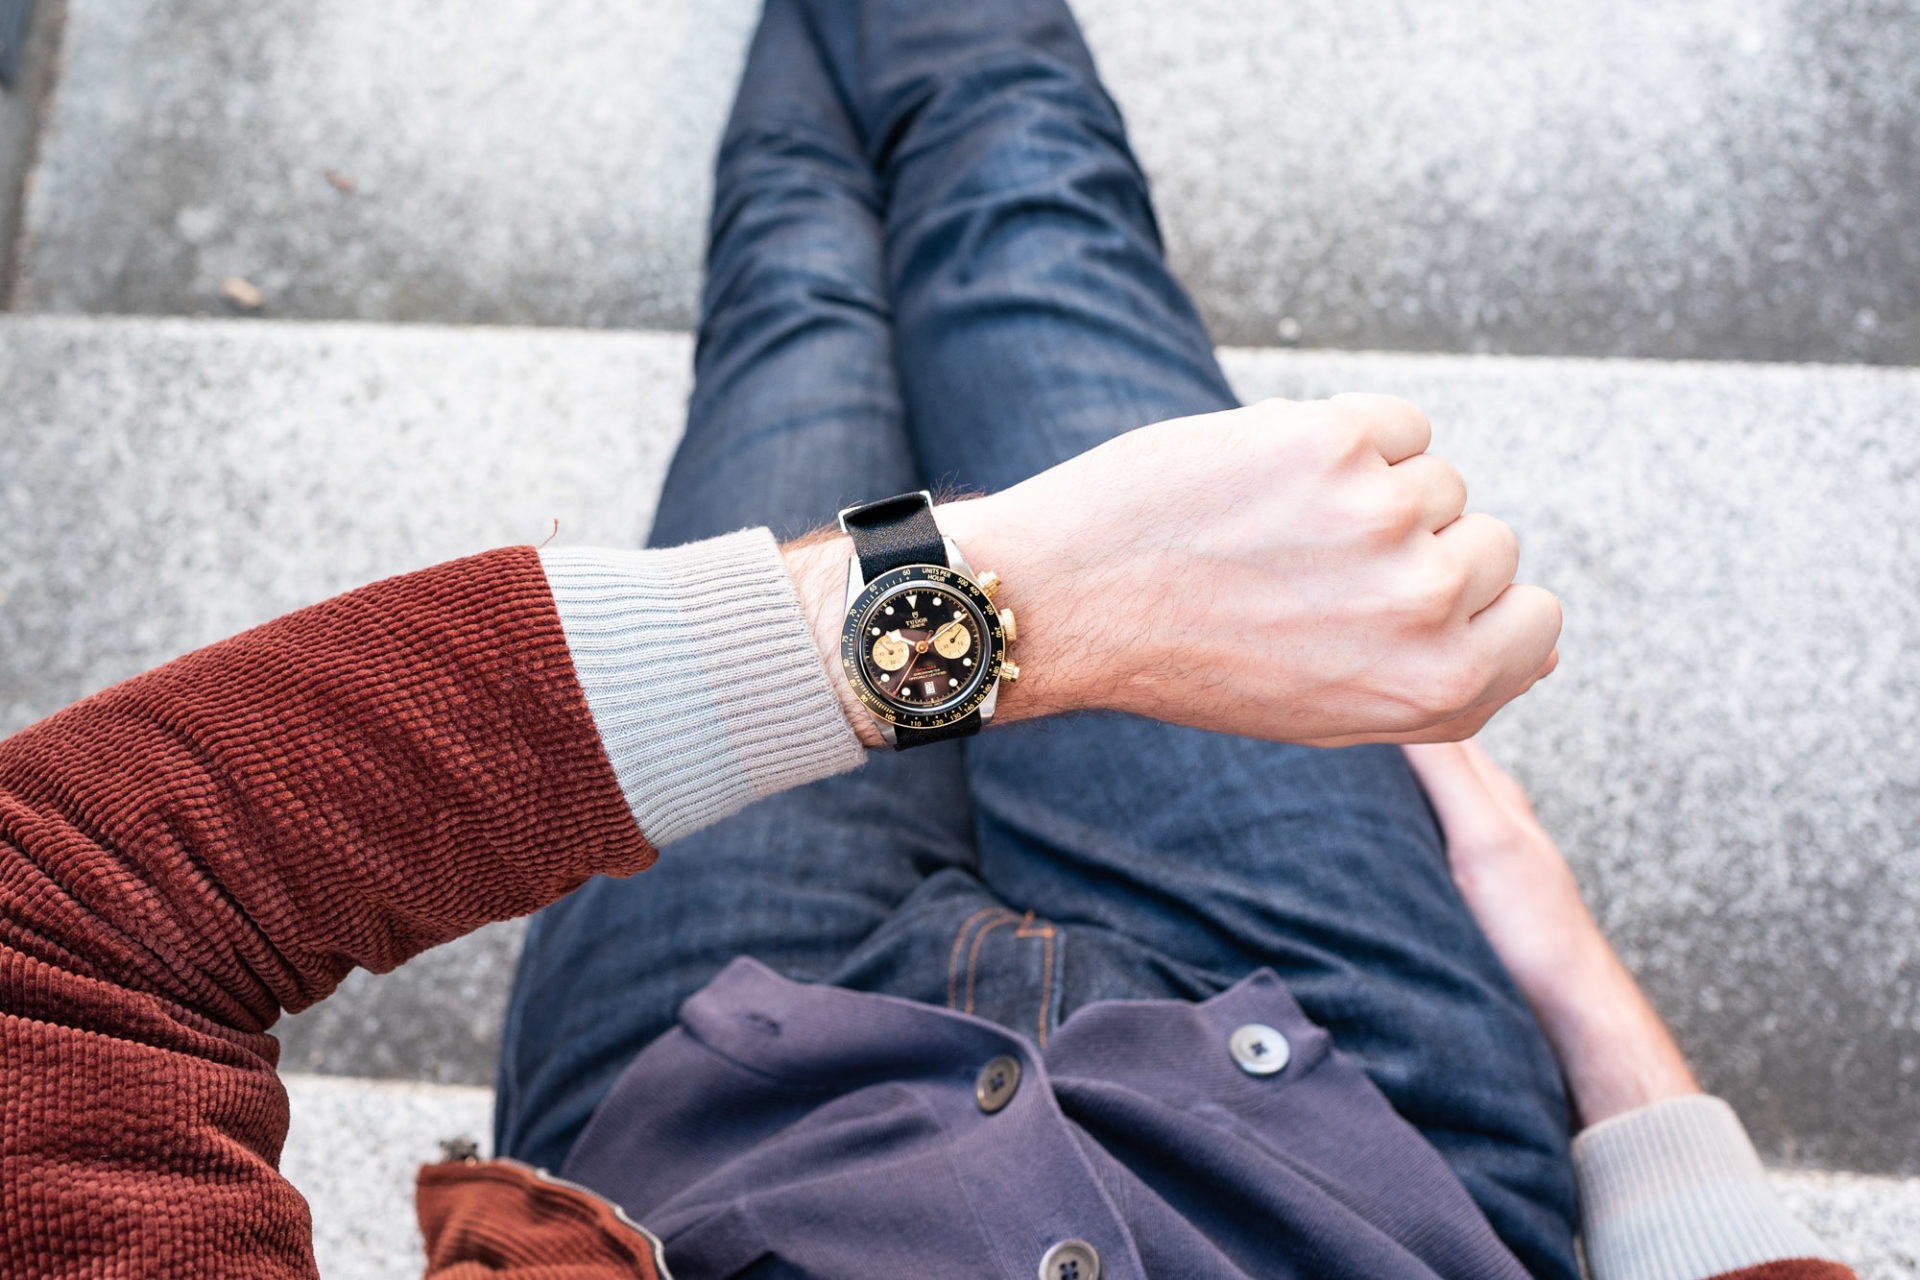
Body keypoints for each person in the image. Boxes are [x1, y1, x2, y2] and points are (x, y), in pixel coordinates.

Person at [0, 1, 1853, 1278]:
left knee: (799, 307)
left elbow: (45, 942)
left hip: (686, 1082)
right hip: (1357, 1073)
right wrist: (1571, 969)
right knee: (1030, 212)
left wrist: (985, 600)